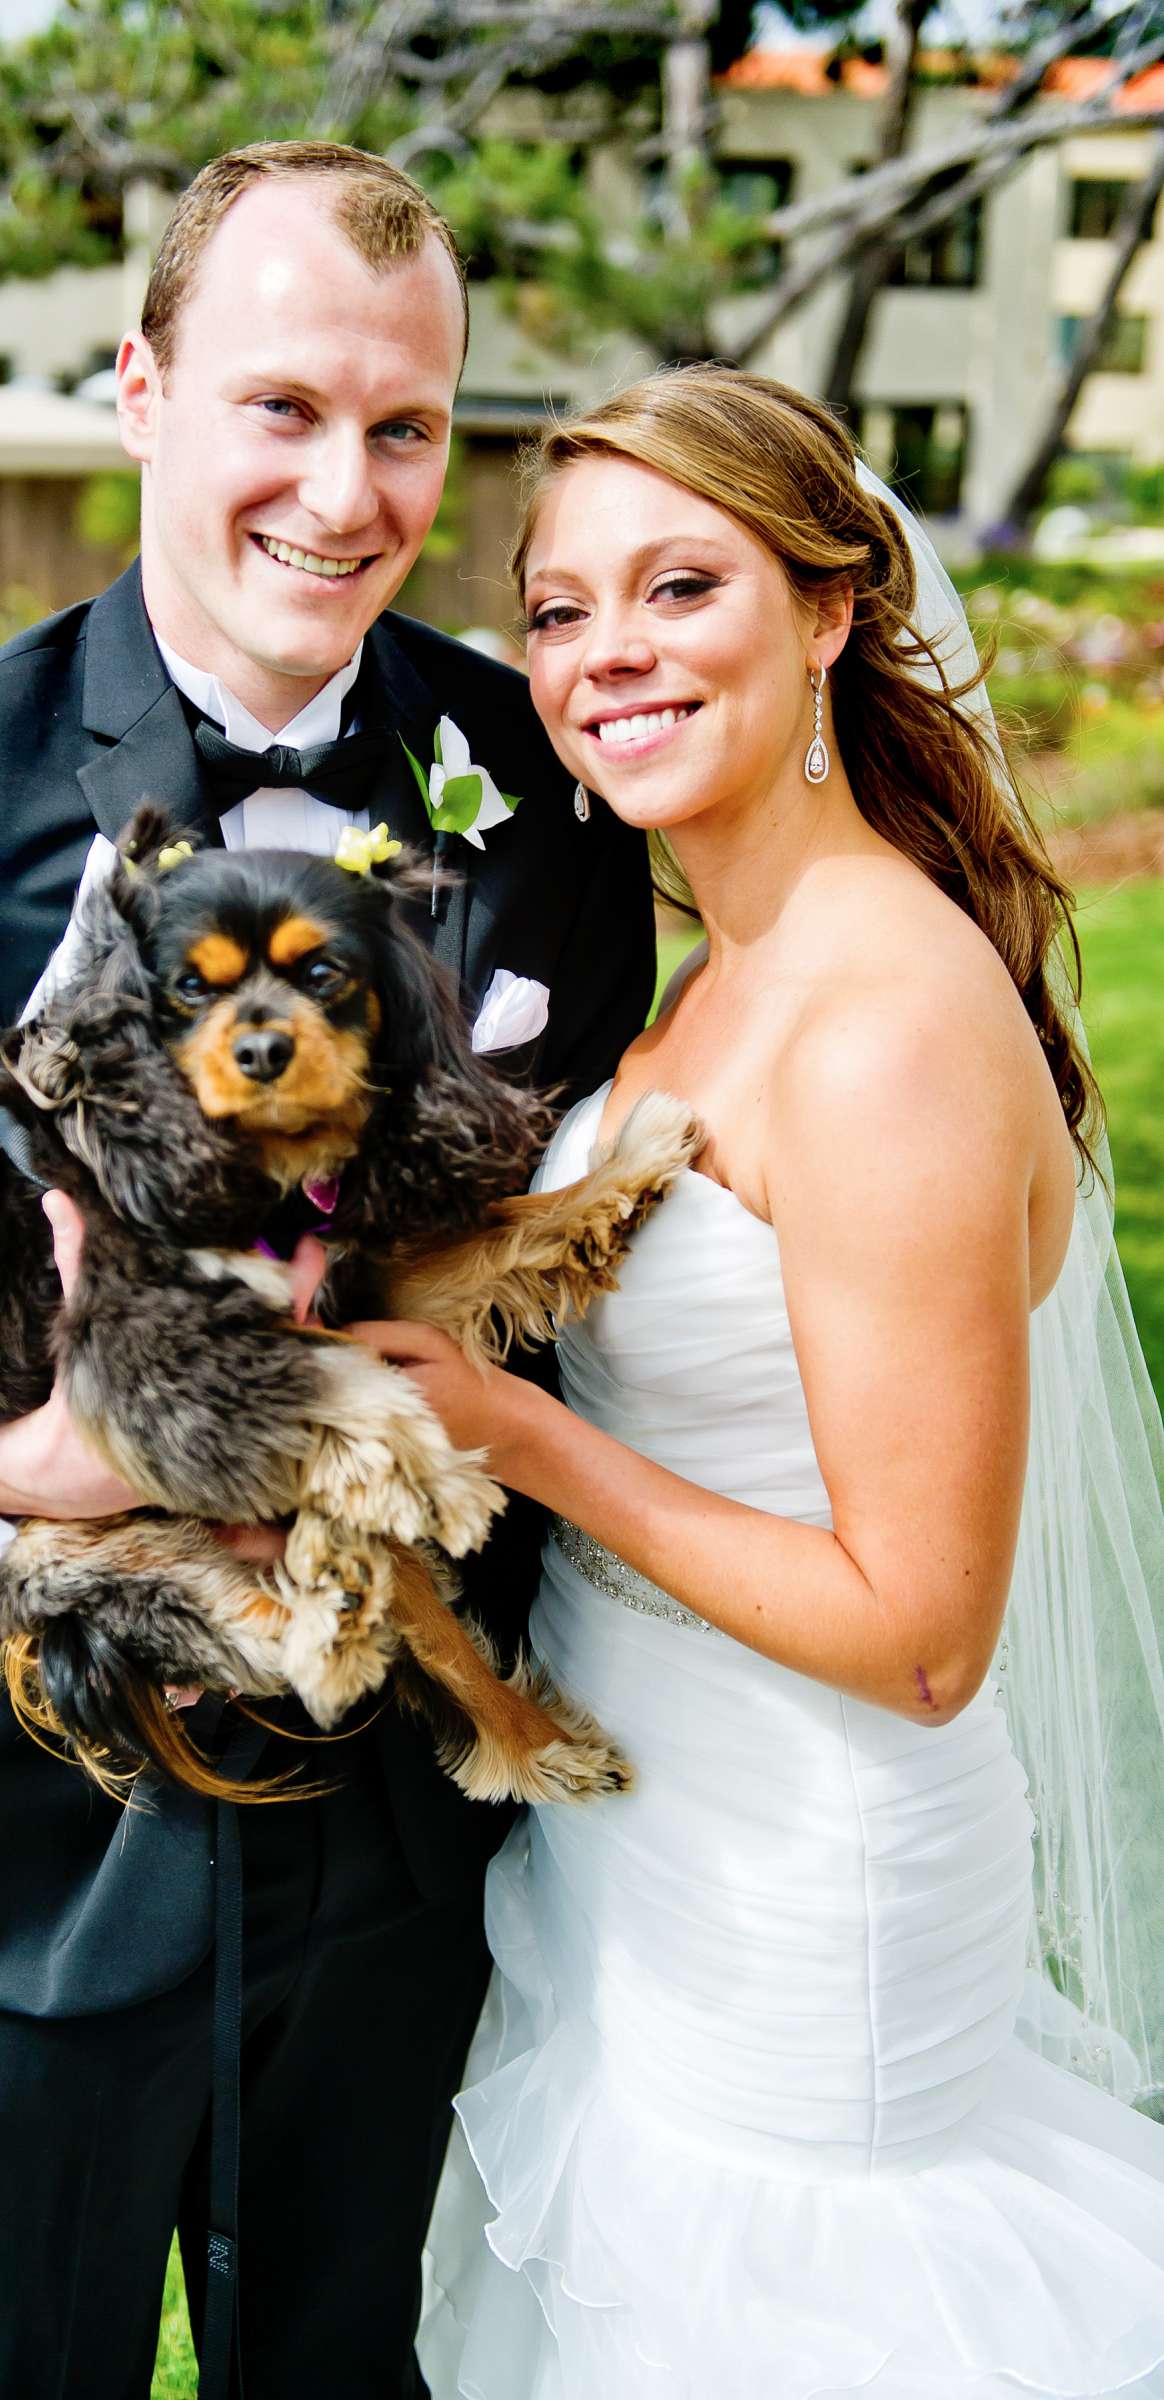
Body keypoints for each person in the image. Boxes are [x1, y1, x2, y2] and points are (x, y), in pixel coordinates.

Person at [0, 145, 654, 2399]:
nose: (347, 491)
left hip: (418, 1860)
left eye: (406, 426)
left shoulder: (542, 786)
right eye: (281, 408)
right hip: (51, 1858)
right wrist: (28, 1466)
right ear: (142, 392)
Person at [345, 365, 1164, 2397]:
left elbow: (920, 1634)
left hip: (814, 1884)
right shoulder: (719, 977)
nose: (606, 651)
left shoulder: (880, 1024)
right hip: (649, 1824)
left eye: (679, 586)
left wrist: (508, 1429)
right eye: (557, 610)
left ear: (825, 612)